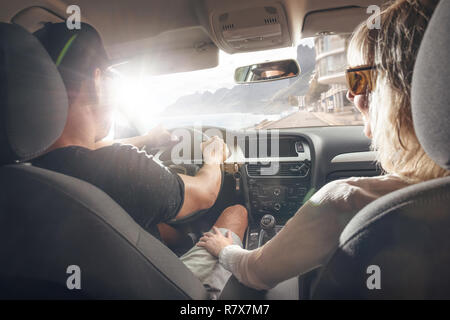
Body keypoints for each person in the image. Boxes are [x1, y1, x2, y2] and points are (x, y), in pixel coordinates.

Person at [196, 0, 449, 290]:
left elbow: (255, 271)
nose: (352, 97)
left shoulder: (349, 201)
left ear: (406, 87)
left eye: (357, 79)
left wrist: (223, 248)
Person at [31, 22, 248, 271]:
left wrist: (146, 140)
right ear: (96, 82)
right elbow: (205, 194)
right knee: (236, 213)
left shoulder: (26, 169)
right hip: (170, 289)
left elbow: (89, 147)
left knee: (160, 229)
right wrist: (212, 158)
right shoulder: (119, 169)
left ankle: (186, 241)